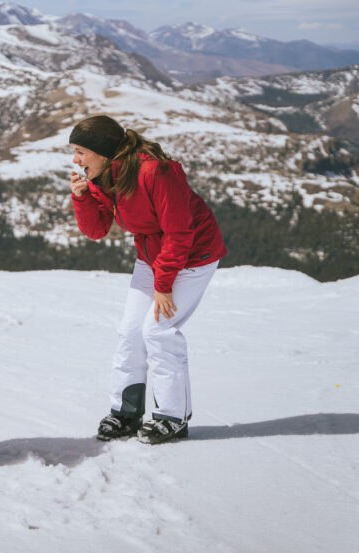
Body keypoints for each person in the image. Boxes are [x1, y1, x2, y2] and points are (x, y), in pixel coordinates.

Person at [68, 115, 226, 444]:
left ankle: (173, 417)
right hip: (152, 256)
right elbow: (96, 230)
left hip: (194, 255)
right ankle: (125, 413)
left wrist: (163, 285)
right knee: (130, 333)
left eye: (81, 151)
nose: (76, 159)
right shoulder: (101, 176)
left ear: (103, 151)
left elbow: (180, 232)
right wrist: (82, 197)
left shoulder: (155, 172)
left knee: (158, 330)